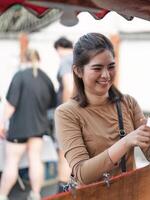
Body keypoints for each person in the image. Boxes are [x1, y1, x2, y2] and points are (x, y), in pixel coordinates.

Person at [54, 33, 150, 185]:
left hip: (129, 194)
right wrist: (126, 142)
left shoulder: (128, 103)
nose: (106, 75)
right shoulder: (66, 113)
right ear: (78, 71)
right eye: (97, 68)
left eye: (111, 66)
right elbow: (82, 173)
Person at [0, 49, 56, 200]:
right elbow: (51, 105)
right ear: (39, 59)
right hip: (38, 129)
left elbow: (10, 105)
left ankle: (3, 195)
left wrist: (1, 123)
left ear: (23, 60)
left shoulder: (19, 76)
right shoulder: (46, 79)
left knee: (11, 163)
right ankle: (36, 194)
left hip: (19, 128)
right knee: (35, 160)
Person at [53, 37, 74, 190]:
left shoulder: (66, 60)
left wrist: (66, 111)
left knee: (64, 152)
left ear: (59, 48)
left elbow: (68, 85)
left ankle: (63, 190)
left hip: (69, 113)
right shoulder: (80, 59)